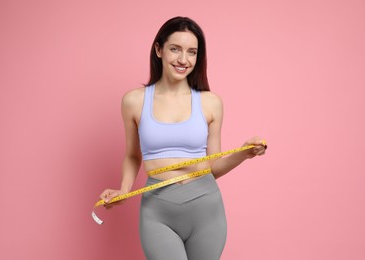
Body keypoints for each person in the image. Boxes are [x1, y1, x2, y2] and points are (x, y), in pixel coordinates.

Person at [100, 16, 266, 260]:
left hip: (206, 210)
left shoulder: (211, 103)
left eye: (192, 52)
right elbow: (133, 155)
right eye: (175, 49)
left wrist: (244, 153)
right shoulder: (134, 101)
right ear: (159, 49)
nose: (183, 60)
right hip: (158, 210)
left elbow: (212, 167)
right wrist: (124, 190)